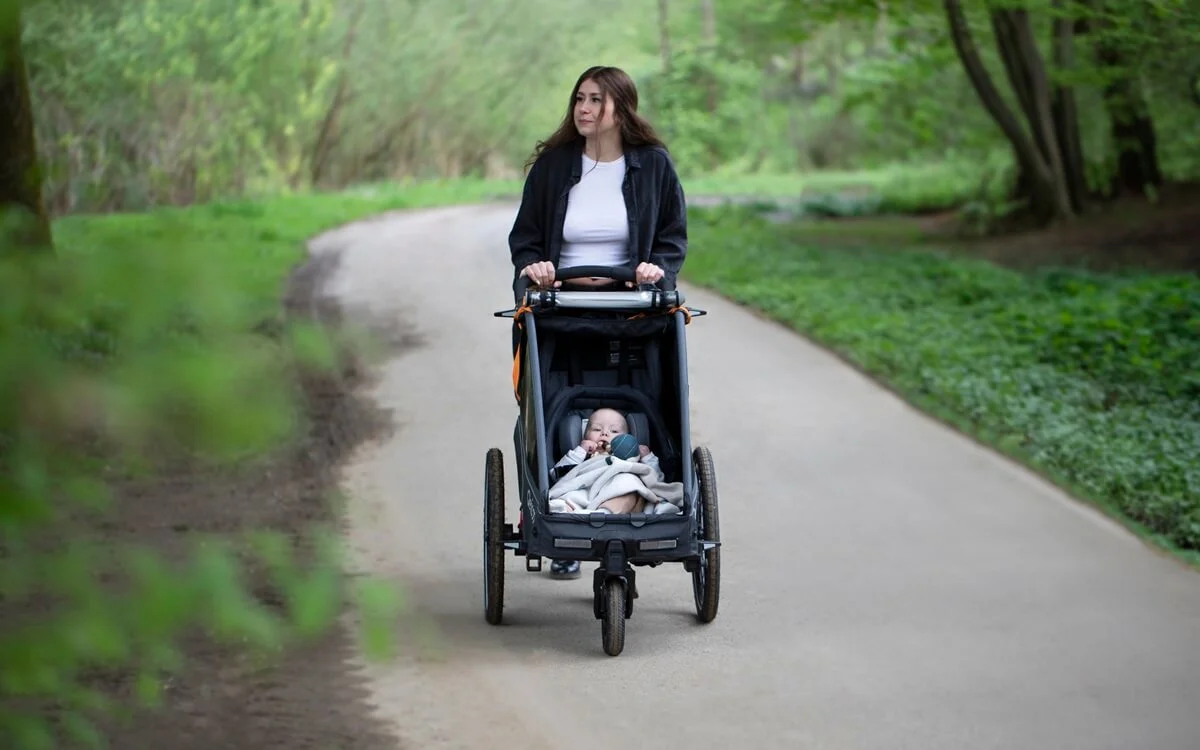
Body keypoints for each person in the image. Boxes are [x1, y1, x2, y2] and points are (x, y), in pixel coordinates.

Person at [508, 64, 687, 301]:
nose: (583, 108)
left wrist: (656, 267)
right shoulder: (552, 164)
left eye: (595, 100)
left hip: (630, 303)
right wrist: (533, 264)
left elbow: (672, 235)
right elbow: (525, 235)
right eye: (579, 99)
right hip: (560, 302)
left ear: (622, 110)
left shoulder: (653, 164)